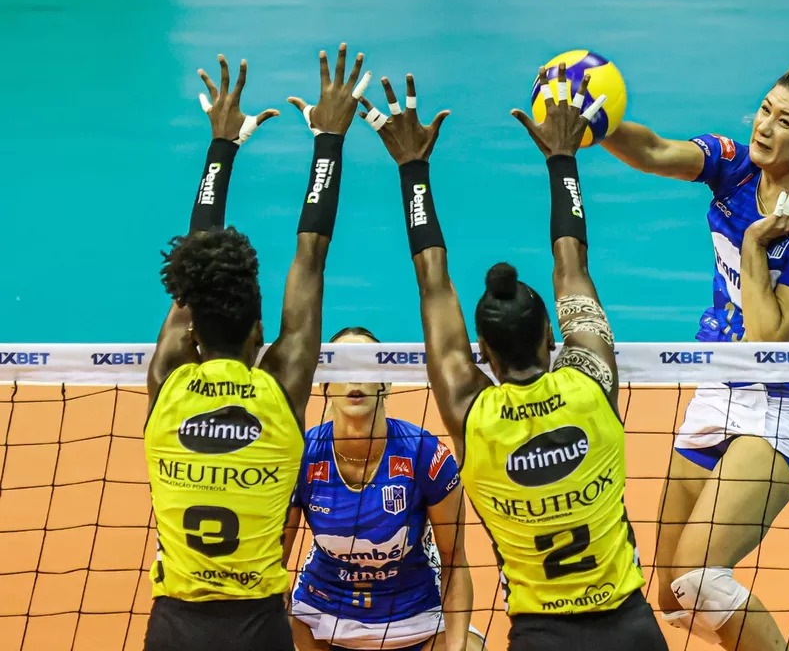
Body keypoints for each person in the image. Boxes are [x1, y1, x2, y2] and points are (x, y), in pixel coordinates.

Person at [355, 65, 670, 651]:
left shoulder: (470, 411)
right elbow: (572, 268)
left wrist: (412, 170)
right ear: (551, 335)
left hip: (540, 635)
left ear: (483, 354)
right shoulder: (591, 382)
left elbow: (433, 286)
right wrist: (563, 158)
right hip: (631, 631)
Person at [600, 58, 789, 650]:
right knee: (672, 591)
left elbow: (767, 341)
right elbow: (652, 151)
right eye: (766, 111)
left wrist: (754, 243)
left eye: (786, 122)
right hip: (719, 388)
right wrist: (594, 123)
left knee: (701, 579)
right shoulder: (733, 167)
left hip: (782, 407)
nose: (766, 127)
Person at [143, 44, 368, 651]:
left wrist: (222, 146)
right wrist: (328, 141)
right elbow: (310, 259)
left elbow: (195, 266)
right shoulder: (278, 390)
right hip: (257, 628)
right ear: (258, 333)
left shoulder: (167, 382)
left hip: (174, 628)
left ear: (190, 328)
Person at [283, 326, 487, 651]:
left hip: (418, 619)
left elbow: (455, 559)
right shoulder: (301, 456)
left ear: (387, 383)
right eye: (342, 367)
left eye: (367, 365)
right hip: (323, 619)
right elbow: (275, 564)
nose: (355, 379)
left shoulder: (424, 453)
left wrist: (457, 646)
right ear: (324, 386)